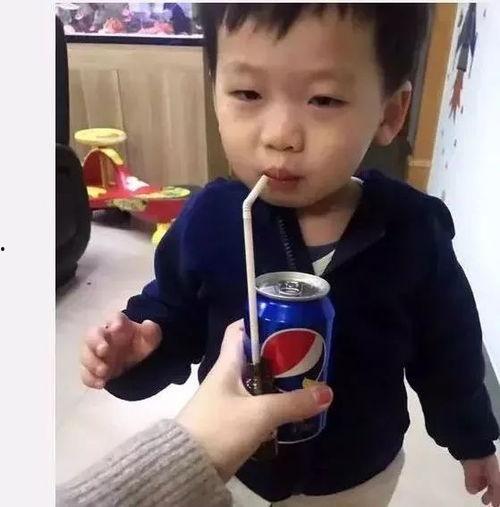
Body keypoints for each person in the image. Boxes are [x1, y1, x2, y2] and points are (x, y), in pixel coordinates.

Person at [80, 4, 500, 506]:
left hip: (357, 476)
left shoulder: (412, 229)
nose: (280, 136)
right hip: (236, 468)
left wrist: (473, 439)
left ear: (390, 113)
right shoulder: (211, 219)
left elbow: (449, 348)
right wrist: (138, 352)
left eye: (323, 99)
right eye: (247, 93)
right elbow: (172, 315)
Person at [60, 322, 333, 506]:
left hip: (340, 472)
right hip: (231, 476)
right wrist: (142, 352)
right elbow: (173, 309)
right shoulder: (208, 245)